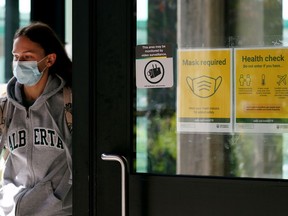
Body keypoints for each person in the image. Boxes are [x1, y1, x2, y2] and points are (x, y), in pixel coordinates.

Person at [0, 22, 72, 216]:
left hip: (56, 210)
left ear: (49, 60)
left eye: (27, 57)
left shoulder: (69, 104)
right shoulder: (5, 106)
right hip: (12, 210)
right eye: (16, 57)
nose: (19, 63)